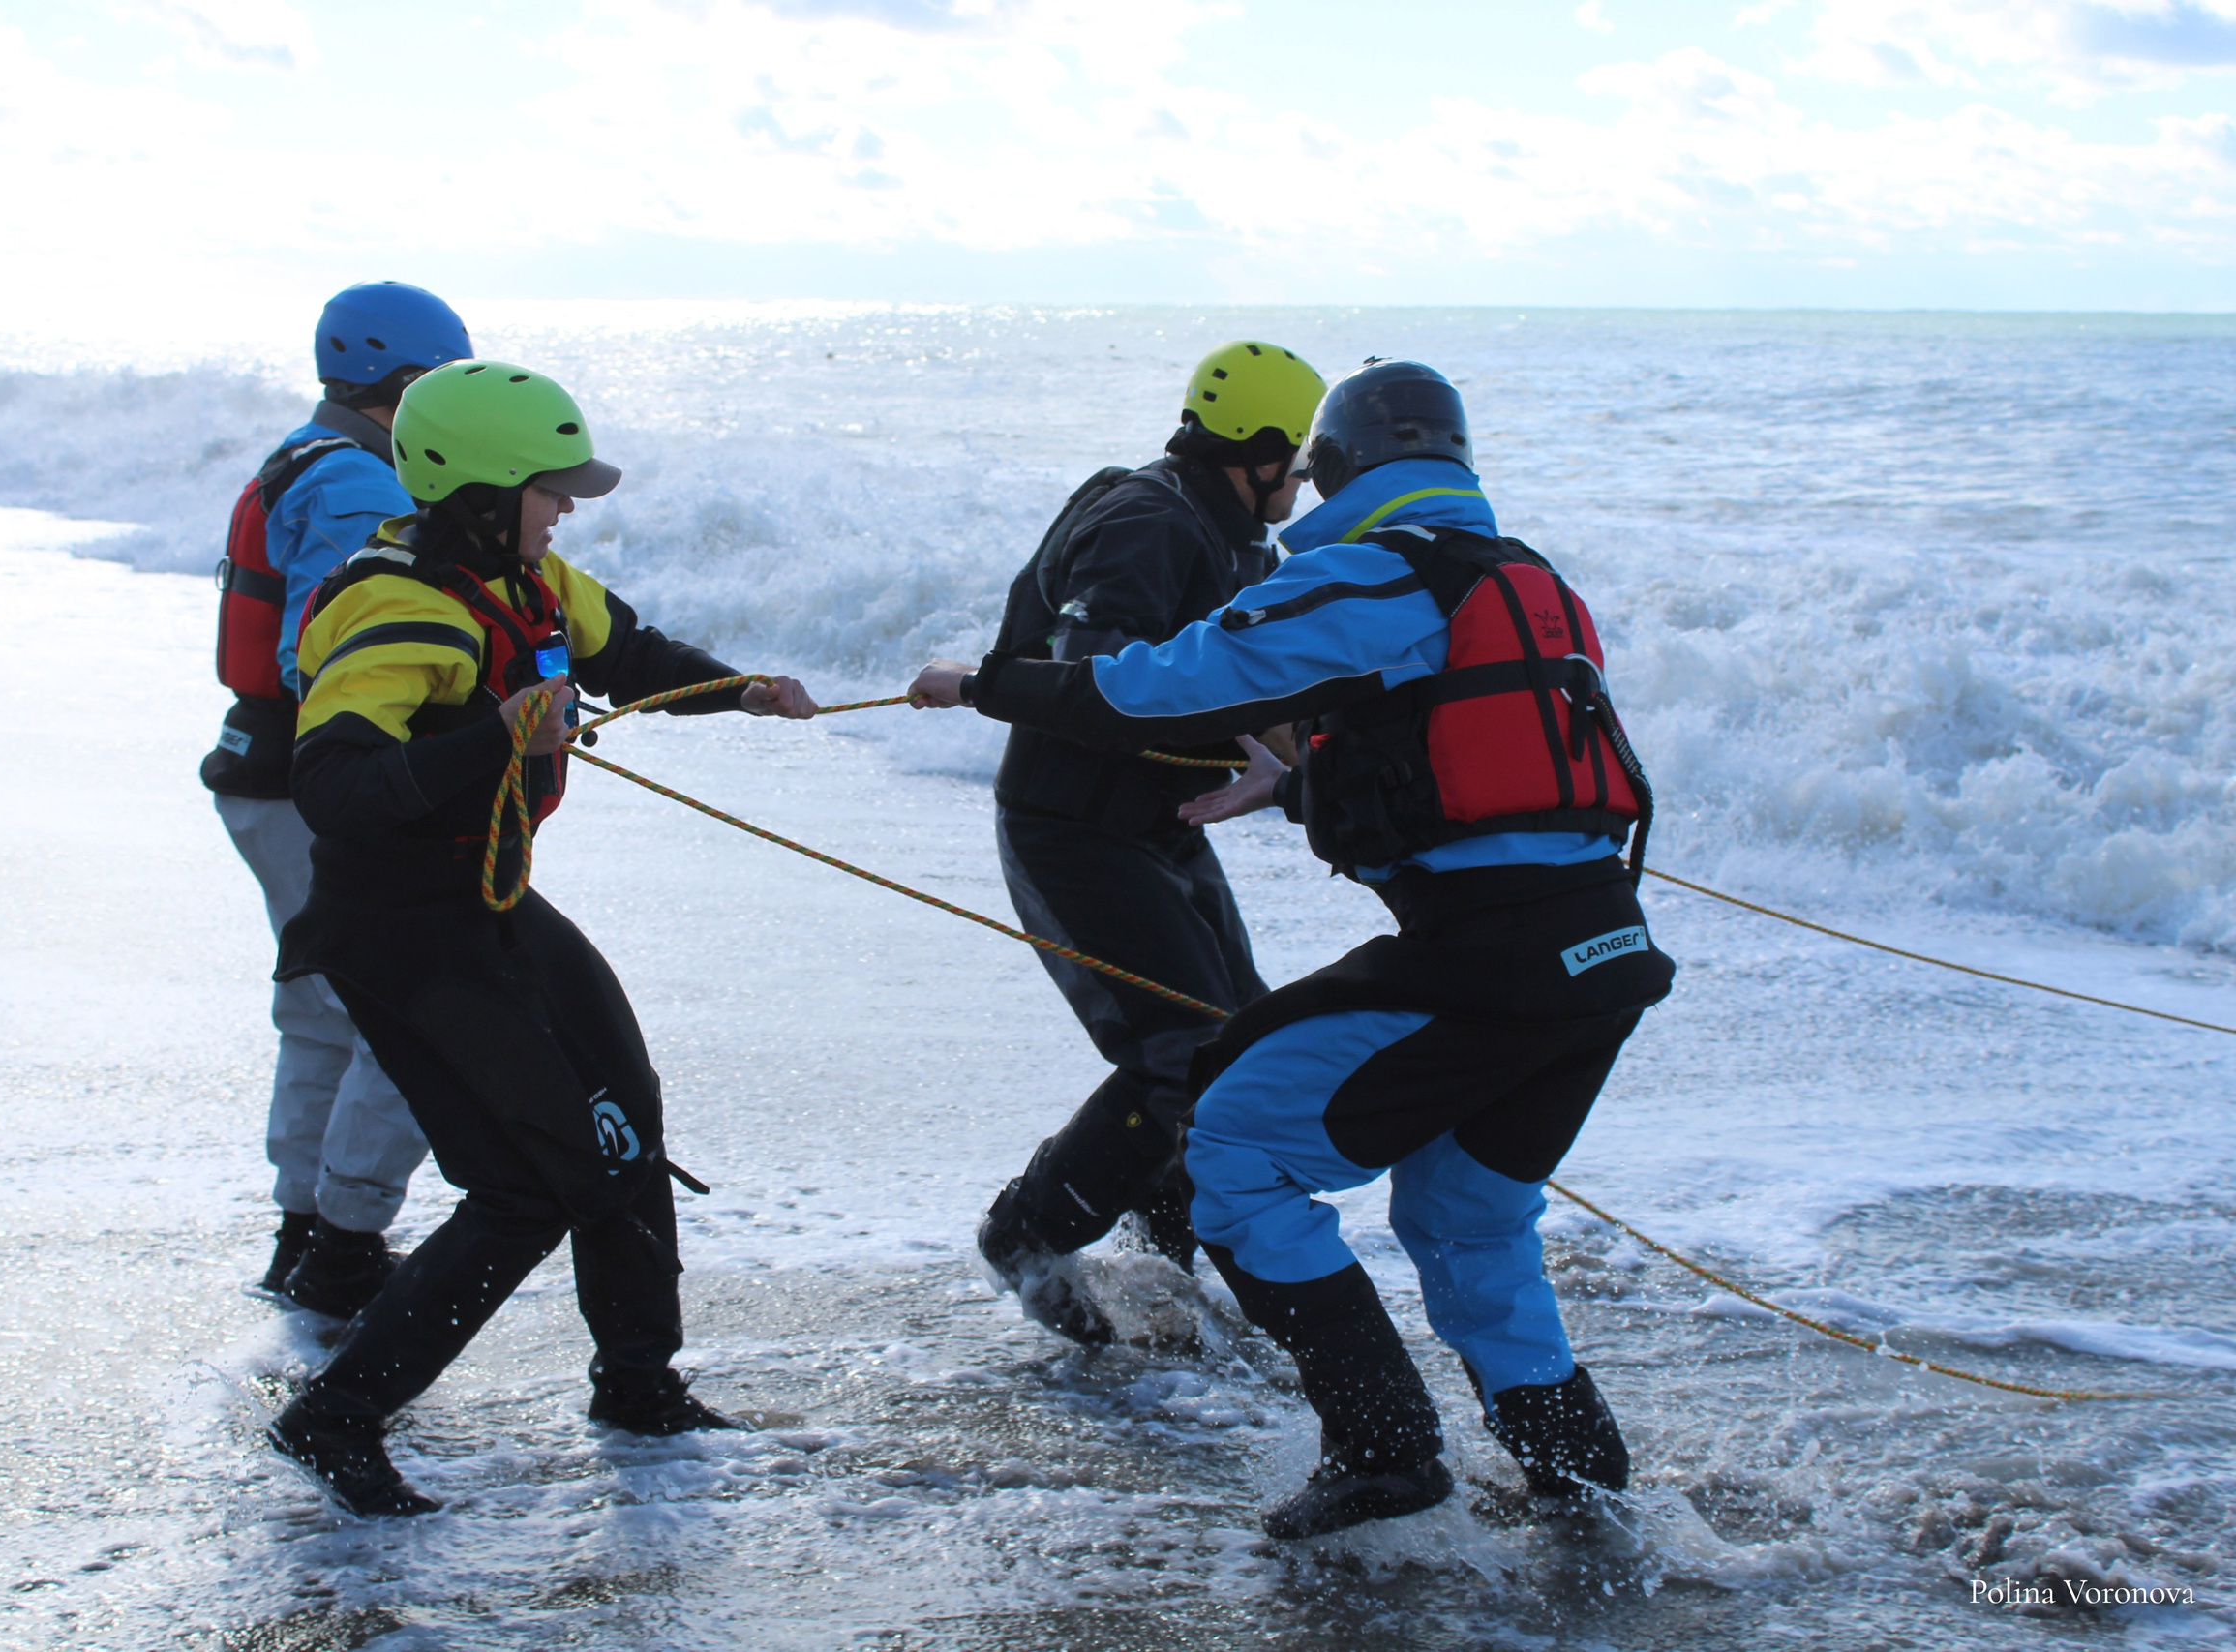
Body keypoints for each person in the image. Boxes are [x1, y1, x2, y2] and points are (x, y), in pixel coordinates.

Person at [909, 358, 1674, 1540]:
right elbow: (1474, 776)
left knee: (1234, 1140)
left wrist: (985, 685)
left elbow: (1156, 686)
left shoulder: (1378, 569)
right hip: (1601, 957)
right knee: (1465, 1221)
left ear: (1336, 471)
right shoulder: (1524, 578)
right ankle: (1585, 1492)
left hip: (1483, 964)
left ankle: (1384, 1450)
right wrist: (1294, 783)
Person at [265, 358, 819, 1517]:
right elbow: (337, 786)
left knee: (623, 1106)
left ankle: (639, 1383)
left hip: (493, 897)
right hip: (399, 930)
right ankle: (334, 1416)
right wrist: (496, 735)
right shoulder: (395, 606)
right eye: (550, 488)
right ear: (476, 488)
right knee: (528, 1185)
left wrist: (741, 691)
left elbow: (630, 655)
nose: (566, 506)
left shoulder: (529, 580)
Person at [973, 342, 1326, 1345]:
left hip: (1155, 825)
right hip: (1068, 826)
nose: (1300, 481)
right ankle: (1026, 1232)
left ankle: (1167, 1258)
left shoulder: (1229, 526)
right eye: (1295, 462)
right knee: (1187, 1055)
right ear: (1254, 451)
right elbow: (1095, 685)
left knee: (1241, 1041)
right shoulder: (1144, 520)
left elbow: (1240, 687)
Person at [203, 282, 472, 1318]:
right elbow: (323, 654)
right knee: (405, 1020)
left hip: (260, 775)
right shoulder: (361, 486)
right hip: (318, 792)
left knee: (318, 1012)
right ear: (404, 386)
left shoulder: (305, 455)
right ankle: (346, 1244)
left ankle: (304, 1234)